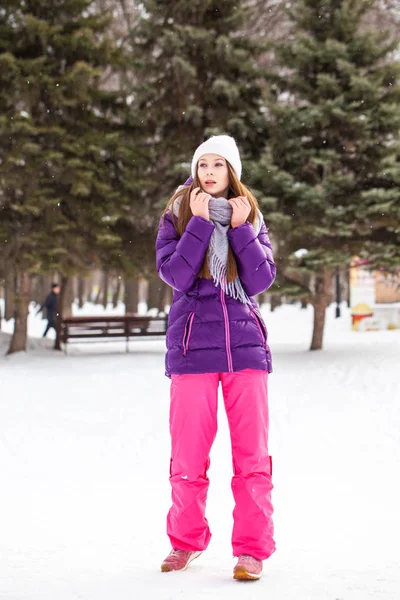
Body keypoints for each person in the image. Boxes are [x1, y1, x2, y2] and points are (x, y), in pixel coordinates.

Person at [155, 135, 277, 581]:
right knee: (187, 456)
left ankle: (251, 550)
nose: (208, 172)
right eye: (202, 164)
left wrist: (242, 230)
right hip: (191, 352)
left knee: (252, 458)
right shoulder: (178, 213)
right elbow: (175, 274)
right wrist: (200, 224)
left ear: (232, 172)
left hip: (245, 350)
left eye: (218, 165)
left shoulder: (251, 215)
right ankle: (184, 542)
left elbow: (261, 279)